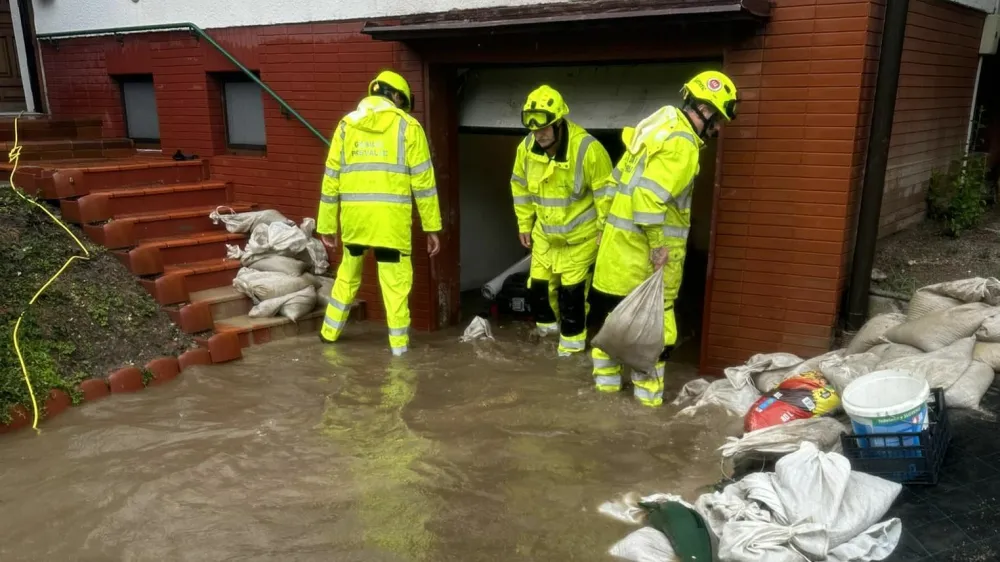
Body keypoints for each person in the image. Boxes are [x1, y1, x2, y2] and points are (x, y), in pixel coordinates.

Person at [589, 70, 740, 407]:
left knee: (611, 337)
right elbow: (648, 199)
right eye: (718, 119)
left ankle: (603, 406)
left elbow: (612, 185)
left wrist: (601, 229)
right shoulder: (683, 144)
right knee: (656, 342)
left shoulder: (654, 130)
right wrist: (658, 246)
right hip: (644, 266)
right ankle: (646, 415)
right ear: (706, 110)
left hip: (614, 260)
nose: (718, 128)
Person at [316, 70, 442, 356]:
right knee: (395, 287)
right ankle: (399, 351)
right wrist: (431, 227)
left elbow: (331, 179)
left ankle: (328, 335)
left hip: (355, 222)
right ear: (395, 96)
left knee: (347, 277)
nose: (402, 107)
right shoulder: (408, 127)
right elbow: (424, 183)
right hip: (390, 225)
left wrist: (327, 225)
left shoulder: (346, 125)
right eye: (403, 101)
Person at [510, 85, 613, 357]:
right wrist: (524, 224)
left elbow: (606, 195)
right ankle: (548, 346)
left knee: (572, 298)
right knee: (538, 291)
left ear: (558, 123)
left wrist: (604, 231)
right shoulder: (526, 148)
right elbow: (520, 187)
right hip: (545, 236)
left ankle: (571, 353)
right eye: (533, 129)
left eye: (544, 128)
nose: (538, 135)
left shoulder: (588, 150)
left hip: (581, 238)